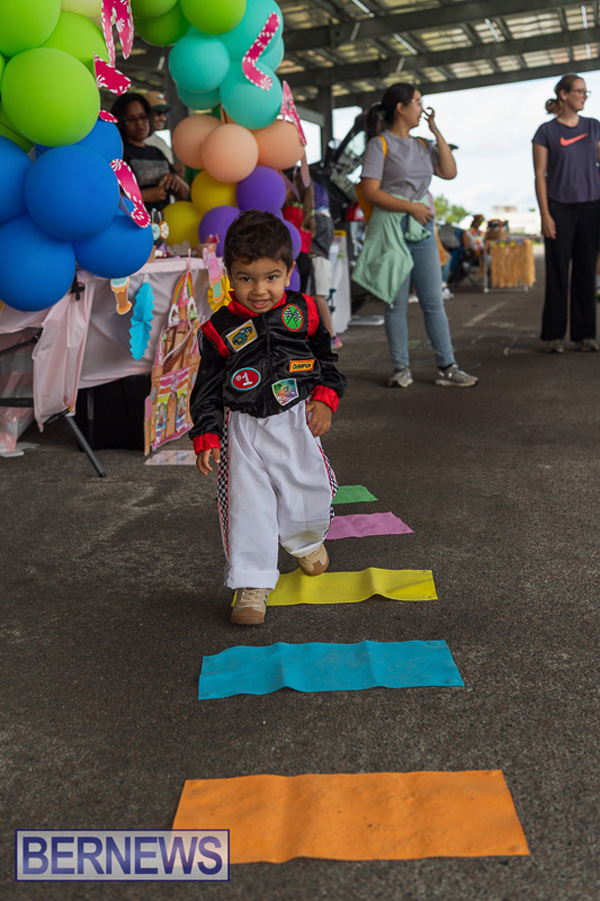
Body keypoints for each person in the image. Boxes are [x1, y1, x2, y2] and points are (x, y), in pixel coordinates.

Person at [189, 210, 346, 626]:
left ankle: (306, 541)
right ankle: (251, 583)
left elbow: (327, 363)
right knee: (248, 504)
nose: (259, 290)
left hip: (296, 420)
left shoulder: (306, 312)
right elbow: (205, 389)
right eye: (246, 278)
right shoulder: (217, 330)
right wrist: (207, 434)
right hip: (242, 430)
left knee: (309, 489)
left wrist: (325, 400)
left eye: (271, 277)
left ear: (289, 271)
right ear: (228, 274)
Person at [352, 82, 478, 388]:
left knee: (433, 302)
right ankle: (400, 369)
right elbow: (370, 191)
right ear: (401, 107)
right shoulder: (379, 145)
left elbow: (449, 172)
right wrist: (411, 207)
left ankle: (448, 367)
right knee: (395, 303)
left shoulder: (423, 144)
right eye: (418, 103)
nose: (423, 109)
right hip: (392, 228)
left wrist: (436, 132)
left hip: (421, 229)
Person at [532, 73, 600, 353]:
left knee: (586, 272)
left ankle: (585, 335)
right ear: (564, 94)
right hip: (558, 207)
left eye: (586, 92)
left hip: (591, 207)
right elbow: (540, 175)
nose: (584, 96)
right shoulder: (546, 132)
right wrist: (545, 215)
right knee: (558, 272)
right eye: (579, 91)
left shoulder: (593, 127)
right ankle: (553, 336)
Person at [111, 92, 189, 213]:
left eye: (143, 117)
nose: (139, 123)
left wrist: (175, 180)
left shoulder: (157, 152)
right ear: (121, 122)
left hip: (163, 221)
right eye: (130, 119)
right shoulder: (118, 154)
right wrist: (144, 196)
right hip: (133, 222)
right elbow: (110, 197)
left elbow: (184, 194)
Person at [311, 181, 343, 349]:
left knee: (319, 298)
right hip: (323, 261)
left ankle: (331, 336)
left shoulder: (318, 219)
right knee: (320, 298)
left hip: (318, 261)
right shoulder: (327, 217)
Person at [282, 169, 315, 293]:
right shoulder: (307, 213)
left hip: (295, 257)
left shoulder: (290, 211)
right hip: (306, 259)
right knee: (299, 297)